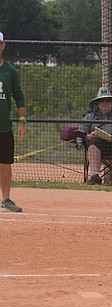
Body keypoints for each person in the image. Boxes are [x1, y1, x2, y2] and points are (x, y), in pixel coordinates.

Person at [0, 32, 26, 213]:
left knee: (5, 164)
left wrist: (22, 122)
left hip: (4, 127)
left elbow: (19, 96)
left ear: (3, 45)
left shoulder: (10, 71)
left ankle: (6, 199)